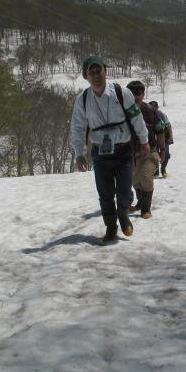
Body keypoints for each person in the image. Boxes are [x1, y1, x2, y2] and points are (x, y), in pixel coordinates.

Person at [70, 56, 150, 243]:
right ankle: (111, 228)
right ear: (85, 76)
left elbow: (136, 118)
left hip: (123, 151)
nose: (96, 75)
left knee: (125, 193)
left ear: (106, 71)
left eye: (99, 70)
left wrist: (144, 140)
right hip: (100, 154)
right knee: (105, 194)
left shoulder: (122, 93)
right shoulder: (82, 100)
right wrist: (79, 153)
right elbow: (77, 127)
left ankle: (123, 214)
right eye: (92, 72)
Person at [126, 81, 166, 219]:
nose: (136, 96)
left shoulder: (151, 111)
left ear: (143, 94)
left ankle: (145, 209)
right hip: (132, 153)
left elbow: (160, 130)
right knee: (136, 181)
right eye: (132, 93)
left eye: (139, 93)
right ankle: (140, 203)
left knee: (146, 177)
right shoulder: (122, 111)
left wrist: (162, 150)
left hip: (151, 151)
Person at [149, 100, 174, 178]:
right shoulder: (147, 115)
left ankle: (163, 169)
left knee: (166, 154)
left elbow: (168, 126)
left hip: (164, 137)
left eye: (155, 107)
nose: (153, 109)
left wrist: (171, 137)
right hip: (153, 139)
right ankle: (155, 172)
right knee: (155, 155)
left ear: (157, 108)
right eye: (151, 108)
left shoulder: (162, 115)